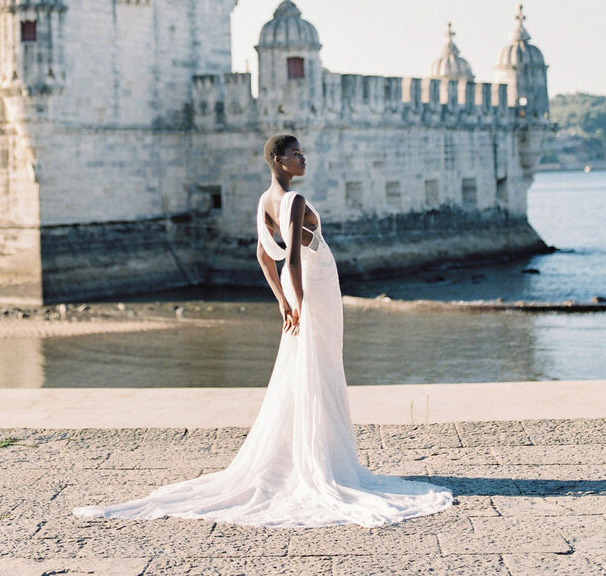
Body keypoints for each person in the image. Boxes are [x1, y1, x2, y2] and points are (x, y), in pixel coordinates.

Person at [73, 134, 453, 527]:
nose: (303, 158)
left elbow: (262, 253)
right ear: (277, 160)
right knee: (319, 366)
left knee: (303, 369)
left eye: (303, 152)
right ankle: (324, 461)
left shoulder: (263, 201)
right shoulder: (294, 200)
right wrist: (301, 305)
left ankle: (308, 453)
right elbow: (289, 256)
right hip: (316, 285)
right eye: (295, 154)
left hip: (300, 289)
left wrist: (283, 301)